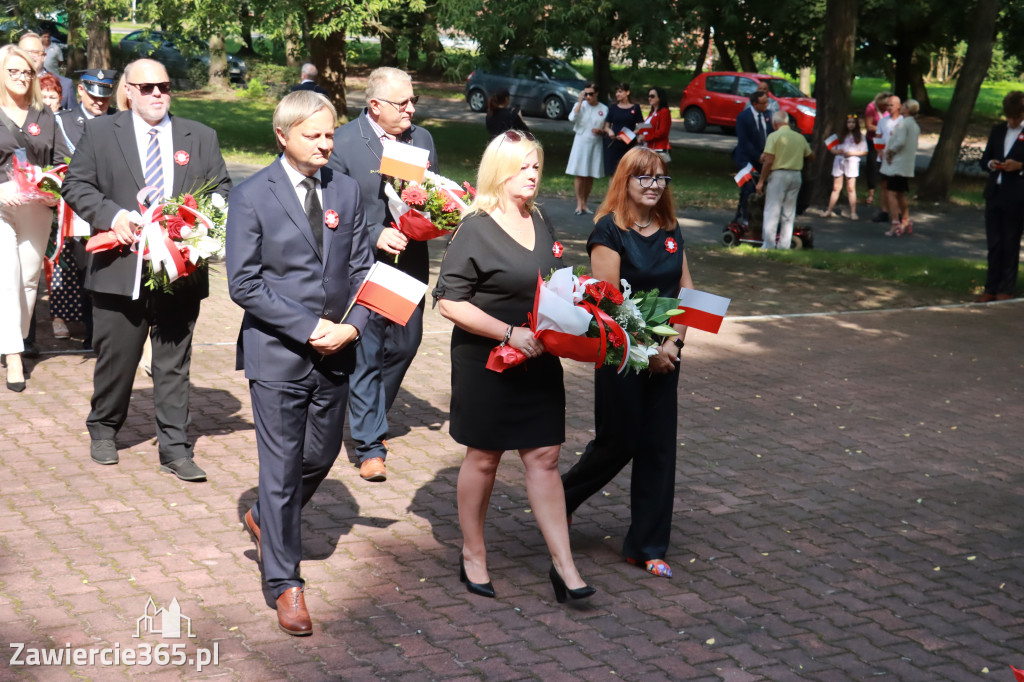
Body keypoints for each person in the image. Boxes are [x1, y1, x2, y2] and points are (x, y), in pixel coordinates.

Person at [227, 90, 375, 635]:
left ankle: (266, 518)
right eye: (313, 135)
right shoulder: (251, 196)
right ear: (283, 136)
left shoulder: (347, 189)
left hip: (338, 348)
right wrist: (307, 327)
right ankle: (284, 583)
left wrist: (353, 326)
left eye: (330, 133)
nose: (325, 144)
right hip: (279, 354)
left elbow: (361, 267)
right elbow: (243, 282)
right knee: (282, 467)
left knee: (320, 454)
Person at [433, 130, 595, 603]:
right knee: (484, 457)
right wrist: (507, 333)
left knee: (544, 456)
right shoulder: (475, 227)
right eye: (523, 166)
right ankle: (473, 554)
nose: (532, 175)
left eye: (537, 167)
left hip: (538, 358)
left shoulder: (540, 218)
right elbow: (448, 302)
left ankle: (565, 568)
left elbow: (549, 281)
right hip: (487, 361)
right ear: (499, 170)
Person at [61, 59, 231, 479]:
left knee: (174, 362)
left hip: (179, 270)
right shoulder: (101, 132)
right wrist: (111, 214)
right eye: (148, 87)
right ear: (129, 91)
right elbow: (76, 184)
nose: (158, 94)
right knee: (117, 359)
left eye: (165, 86)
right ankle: (103, 427)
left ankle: (175, 448)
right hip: (120, 265)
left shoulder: (201, 136)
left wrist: (195, 223)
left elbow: (223, 189)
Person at [562, 146, 691, 579]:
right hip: (622, 354)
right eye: (645, 178)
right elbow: (609, 306)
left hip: (667, 357)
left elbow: (687, 296)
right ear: (626, 181)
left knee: (658, 448)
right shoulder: (608, 232)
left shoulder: (671, 229)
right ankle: (559, 500)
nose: (655, 186)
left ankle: (647, 546)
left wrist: (672, 344)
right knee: (618, 442)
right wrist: (647, 351)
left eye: (661, 179)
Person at [327, 67, 437, 482]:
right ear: (374, 106)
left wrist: (439, 217)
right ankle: (370, 445)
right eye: (402, 103)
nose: (411, 109)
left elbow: (429, 197)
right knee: (368, 350)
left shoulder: (421, 139)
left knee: (405, 345)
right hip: (363, 264)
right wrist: (375, 234)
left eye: (413, 101)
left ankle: (365, 412)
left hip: (409, 263)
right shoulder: (343, 143)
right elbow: (335, 208)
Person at [0, 45, 58, 392]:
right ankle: (14, 358)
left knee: (29, 278)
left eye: (26, 72)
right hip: (2, 204)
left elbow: (62, 159)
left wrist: (54, 186)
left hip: (38, 205)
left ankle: (13, 337)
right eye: (13, 71)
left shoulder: (44, 115)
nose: (21, 78)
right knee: (7, 275)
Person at [52, 69, 118, 350]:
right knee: (83, 271)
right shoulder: (63, 122)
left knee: (108, 269)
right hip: (76, 211)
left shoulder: (120, 120)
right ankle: (92, 331)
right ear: (80, 91)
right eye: (93, 95)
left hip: (114, 207)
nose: (99, 102)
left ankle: (103, 334)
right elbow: (56, 159)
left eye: (104, 96)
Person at [978, 91, 1024, 302]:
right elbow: (985, 158)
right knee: (994, 243)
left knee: (1010, 241)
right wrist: (992, 164)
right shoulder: (998, 131)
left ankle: (1006, 288)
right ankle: (991, 286)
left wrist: (1020, 166)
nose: (1012, 121)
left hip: (1017, 194)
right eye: (1009, 117)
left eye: (1016, 117)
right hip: (995, 192)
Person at [756, 110, 813, 249]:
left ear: (775, 123)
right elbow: (811, 155)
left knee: (772, 209)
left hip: (779, 174)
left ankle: (768, 244)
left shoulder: (774, 136)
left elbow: (768, 160)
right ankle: (784, 244)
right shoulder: (799, 137)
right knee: (789, 211)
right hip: (795, 174)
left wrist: (761, 181)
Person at [880, 99, 920, 237]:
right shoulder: (914, 125)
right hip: (905, 166)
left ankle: (895, 222)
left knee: (891, 193)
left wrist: (890, 152)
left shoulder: (904, 124)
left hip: (897, 165)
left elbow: (899, 142)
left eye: (903, 106)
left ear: (908, 109)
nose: (901, 107)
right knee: (900, 194)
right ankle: (905, 220)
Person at [566, 82, 606, 215]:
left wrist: (601, 131)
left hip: (595, 142)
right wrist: (579, 101)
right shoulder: (581, 105)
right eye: (586, 94)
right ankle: (579, 203)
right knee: (580, 173)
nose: (588, 97)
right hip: (581, 141)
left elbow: (606, 126)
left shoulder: (604, 108)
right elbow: (572, 117)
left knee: (590, 174)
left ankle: (585, 203)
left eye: (591, 94)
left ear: (597, 94)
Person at [732, 91, 771, 226]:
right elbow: (744, 141)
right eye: (763, 103)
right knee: (748, 186)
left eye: (767, 102)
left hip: (764, 157)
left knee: (762, 187)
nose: (767, 105)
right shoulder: (744, 117)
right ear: (755, 104)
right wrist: (757, 155)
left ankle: (759, 217)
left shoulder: (768, 114)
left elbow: (770, 134)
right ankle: (745, 216)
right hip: (746, 158)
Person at [823, 114, 868, 219]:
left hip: (852, 162)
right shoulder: (840, 135)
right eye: (849, 122)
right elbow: (831, 148)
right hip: (839, 161)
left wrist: (852, 153)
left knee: (851, 188)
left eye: (853, 122)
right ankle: (829, 210)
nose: (851, 125)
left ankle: (853, 212)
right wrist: (837, 151)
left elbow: (864, 151)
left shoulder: (860, 137)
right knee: (836, 187)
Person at [18, 33, 74, 111]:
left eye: (35, 52)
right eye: (25, 52)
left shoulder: (65, 85)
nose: (30, 56)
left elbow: (73, 120)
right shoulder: (6, 84)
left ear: (44, 56)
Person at [601, 82, 642, 176]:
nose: (617, 94)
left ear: (627, 92)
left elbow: (641, 126)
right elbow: (607, 126)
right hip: (614, 143)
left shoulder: (635, 108)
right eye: (616, 92)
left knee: (628, 173)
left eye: (620, 91)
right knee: (614, 173)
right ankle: (613, 191)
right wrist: (610, 132)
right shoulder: (613, 108)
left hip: (628, 143)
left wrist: (629, 135)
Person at [872, 94, 901, 224]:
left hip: (898, 158)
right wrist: (879, 151)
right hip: (883, 157)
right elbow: (878, 137)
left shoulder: (902, 121)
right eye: (888, 105)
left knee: (896, 186)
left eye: (892, 105)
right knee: (884, 185)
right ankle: (884, 211)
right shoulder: (883, 121)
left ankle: (898, 212)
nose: (889, 108)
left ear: (899, 106)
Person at [864, 91, 889, 207]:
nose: (886, 108)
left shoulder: (890, 110)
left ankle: (885, 192)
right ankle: (871, 192)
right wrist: (882, 129)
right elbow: (868, 126)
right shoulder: (871, 108)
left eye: (887, 106)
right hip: (873, 141)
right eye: (884, 106)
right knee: (873, 166)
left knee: (884, 166)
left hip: (886, 141)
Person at [639, 86, 671, 163]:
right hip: (648, 148)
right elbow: (646, 128)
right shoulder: (652, 113)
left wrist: (645, 137)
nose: (649, 98)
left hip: (658, 148)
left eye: (652, 96)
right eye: (649, 96)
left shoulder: (664, 112)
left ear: (659, 98)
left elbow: (662, 132)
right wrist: (638, 132)